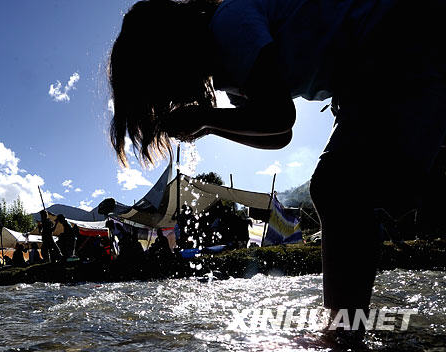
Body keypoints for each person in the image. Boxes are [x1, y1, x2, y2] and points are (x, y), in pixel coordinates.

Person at [108, 0, 446, 335]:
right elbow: (278, 136)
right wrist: (209, 126)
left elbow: (280, 115)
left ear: (170, 53)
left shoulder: (228, 23)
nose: (172, 98)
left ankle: (344, 333)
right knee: (359, 189)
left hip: (393, 30)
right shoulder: (230, 71)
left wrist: (206, 117)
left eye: (161, 87)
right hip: (368, 59)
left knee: (338, 188)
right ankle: (347, 327)